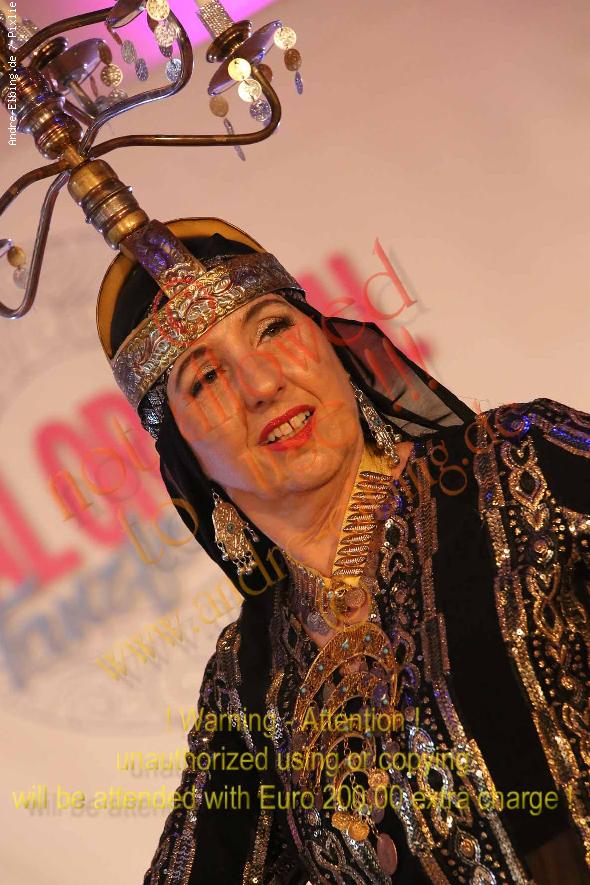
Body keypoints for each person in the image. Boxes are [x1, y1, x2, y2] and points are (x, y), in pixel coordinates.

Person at [97, 218, 590, 884]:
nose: (261, 384)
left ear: (333, 346)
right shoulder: (250, 677)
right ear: (186, 458)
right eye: (206, 377)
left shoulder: (520, 467)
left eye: (273, 328)